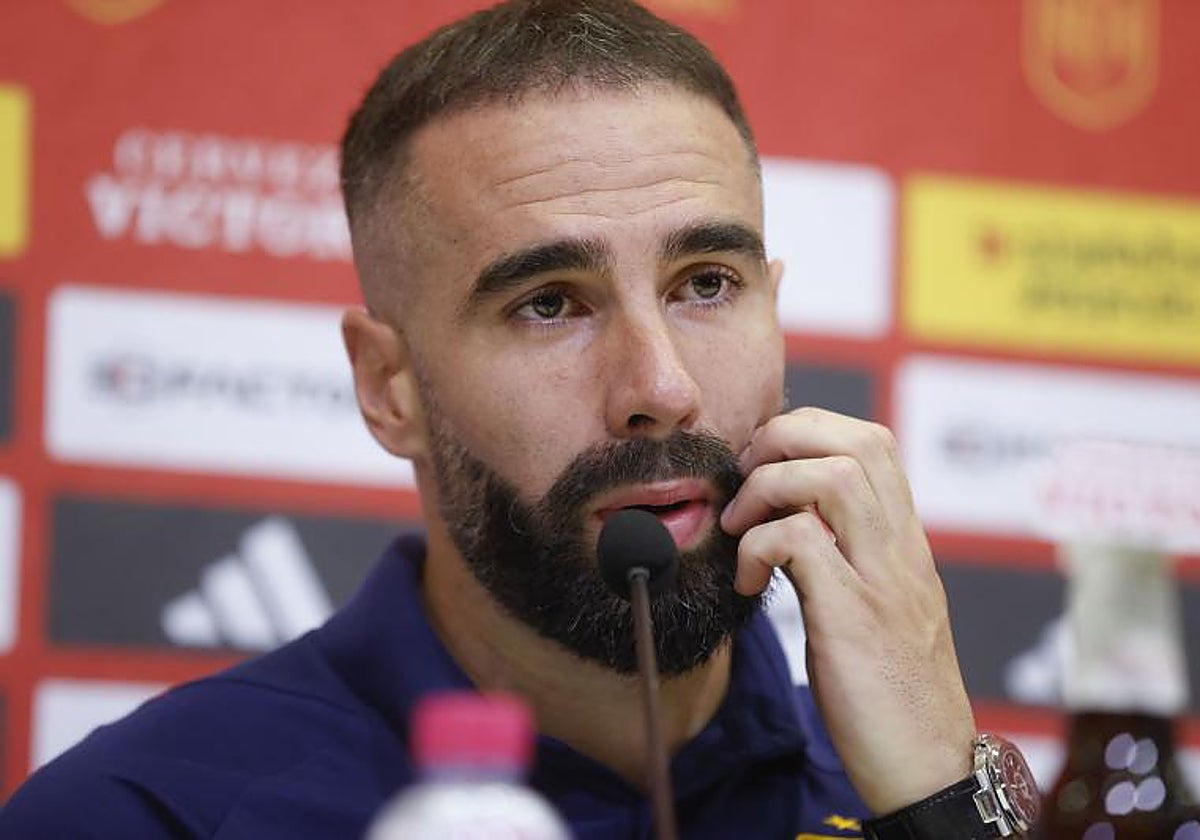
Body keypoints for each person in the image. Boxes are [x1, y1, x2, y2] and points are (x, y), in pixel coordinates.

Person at [2, 1, 1037, 837]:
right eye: (549, 304)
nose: (661, 387)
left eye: (706, 284)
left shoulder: (907, 782)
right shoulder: (147, 813)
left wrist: (946, 806)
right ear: (389, 386)